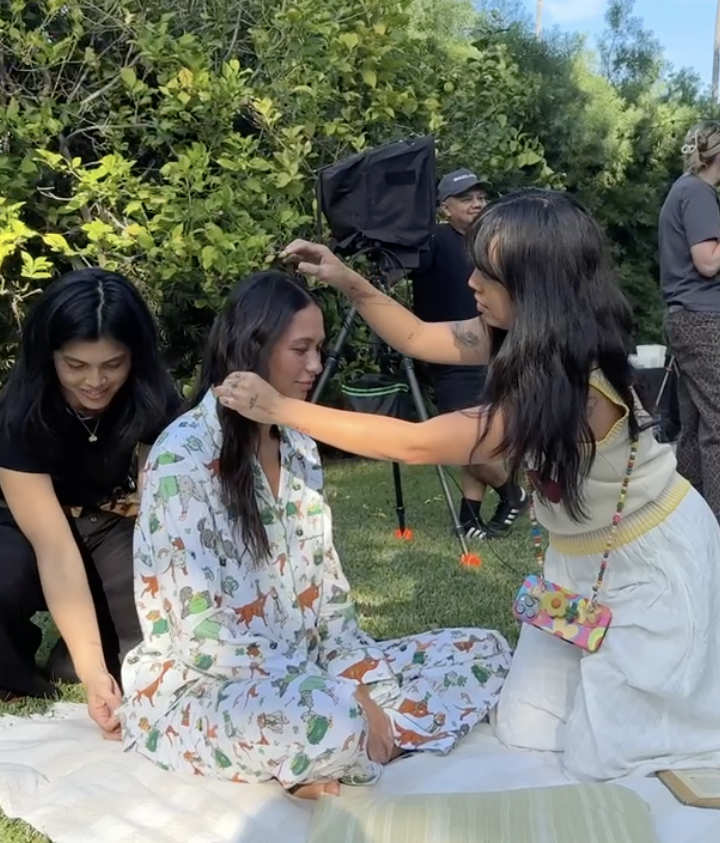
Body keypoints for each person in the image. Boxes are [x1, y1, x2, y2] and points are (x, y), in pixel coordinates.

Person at [219, 191, 720, 781]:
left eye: (490, 272)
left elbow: (417, 443)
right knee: (525, 728)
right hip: (578, 569)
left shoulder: (570, 388)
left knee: (606, 755)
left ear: (537, 288)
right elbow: (415, 337)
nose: (473, 280)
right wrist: (347, 278)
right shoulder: (516, 336)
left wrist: (283, 408)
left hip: (647, 564)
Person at [119, 271, 512, 799]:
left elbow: (326, 593)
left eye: (320, 348)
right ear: (251, 348)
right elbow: (204, 639)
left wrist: (357, 678)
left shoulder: (298, 442)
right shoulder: (182, 458)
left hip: (317, 668)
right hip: (214, 686)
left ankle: (368, 740)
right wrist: (343, 696)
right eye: (300, 349)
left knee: (485, 650)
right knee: (330, 715)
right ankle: (351, 739)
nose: (315, 365)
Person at [0, 267, 180, 734]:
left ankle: (73, 654)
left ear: (134, 357)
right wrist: (94, 672)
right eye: (76, 365)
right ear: (50, 355)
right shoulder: (19, 413)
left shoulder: (155, 398)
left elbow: (163, 520)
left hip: (107, 522)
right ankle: (13, 667)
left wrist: (92, 667)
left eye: (112, 364)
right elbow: (53, 546)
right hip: (18, 526)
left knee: (153, 630)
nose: (95, 382)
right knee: (2, 575)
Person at [412, 168, 526, 538]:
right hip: (444, 351)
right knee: (470, 435)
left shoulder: (494, 243)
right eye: (466, 198)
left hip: (485, 351)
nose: (477, 204)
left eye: (481, 197)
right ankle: (470, 517)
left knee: (469, 439)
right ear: (445, 207)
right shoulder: (432, 241)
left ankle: (511, 494)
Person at [659, 121, 720, 524]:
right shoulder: (699, 193)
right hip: (705, 320)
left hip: (686, 318)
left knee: (698, 425)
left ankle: (687, 519)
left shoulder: (682, 189)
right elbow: (708, 260)